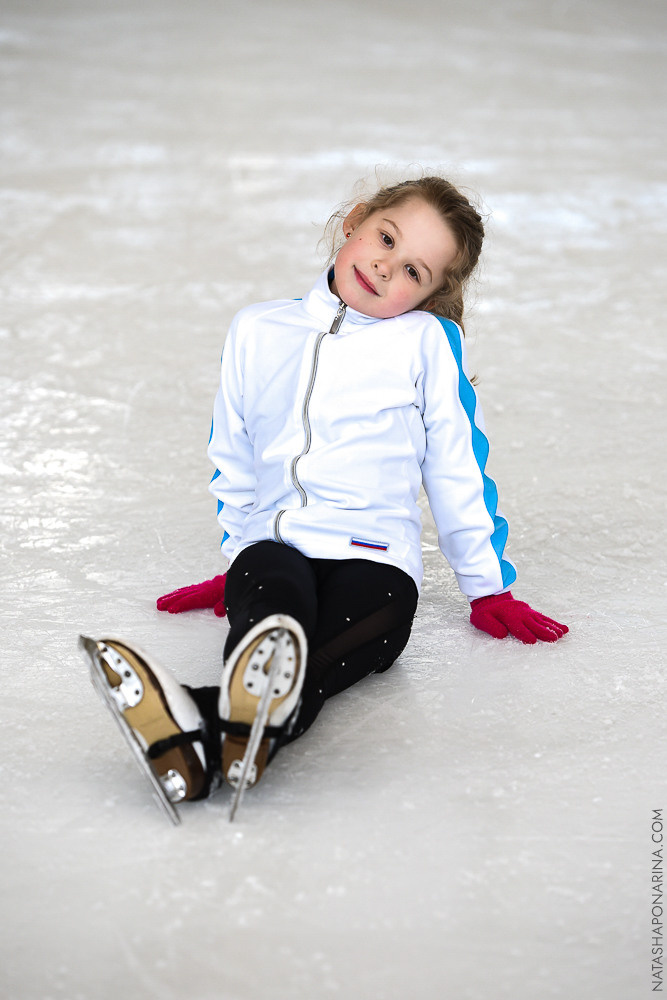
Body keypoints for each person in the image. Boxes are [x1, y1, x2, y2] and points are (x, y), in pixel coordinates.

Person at [85, 176, 568, 819]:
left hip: (375, 562)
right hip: (275, 546)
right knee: (275, 610)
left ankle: (193, 724)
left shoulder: (424, 344)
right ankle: (222, 734)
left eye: (412, 270)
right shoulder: (258, 329)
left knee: (363, 615)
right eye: (386, 238)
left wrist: (487, 586)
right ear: (356, 220)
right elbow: (233, 455)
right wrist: (236, 560)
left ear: (430, 295)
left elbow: (457, 465)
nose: (384, 266)